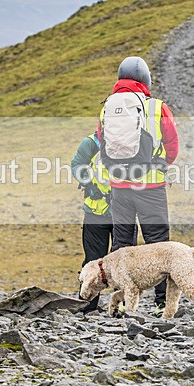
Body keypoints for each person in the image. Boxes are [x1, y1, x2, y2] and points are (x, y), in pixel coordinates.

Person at [100, 57, 179, 316]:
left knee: (122, 242)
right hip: (151, 186)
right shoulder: (156, 107)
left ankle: (121, 301)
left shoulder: (107, 108)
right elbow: (172, 145)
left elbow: (103, 142)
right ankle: (162, 303)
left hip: (119, 187)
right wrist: (159, 165)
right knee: (158, 244)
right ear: (146, 80)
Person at [71, 131, 113, 312]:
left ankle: (122, 307)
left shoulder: (135, 140)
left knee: (124, 263)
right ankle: (87, 306)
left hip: (124, 211)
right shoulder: (92, 142)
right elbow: (77, 165)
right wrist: (89, 183)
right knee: (92, 260)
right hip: (96, 210)